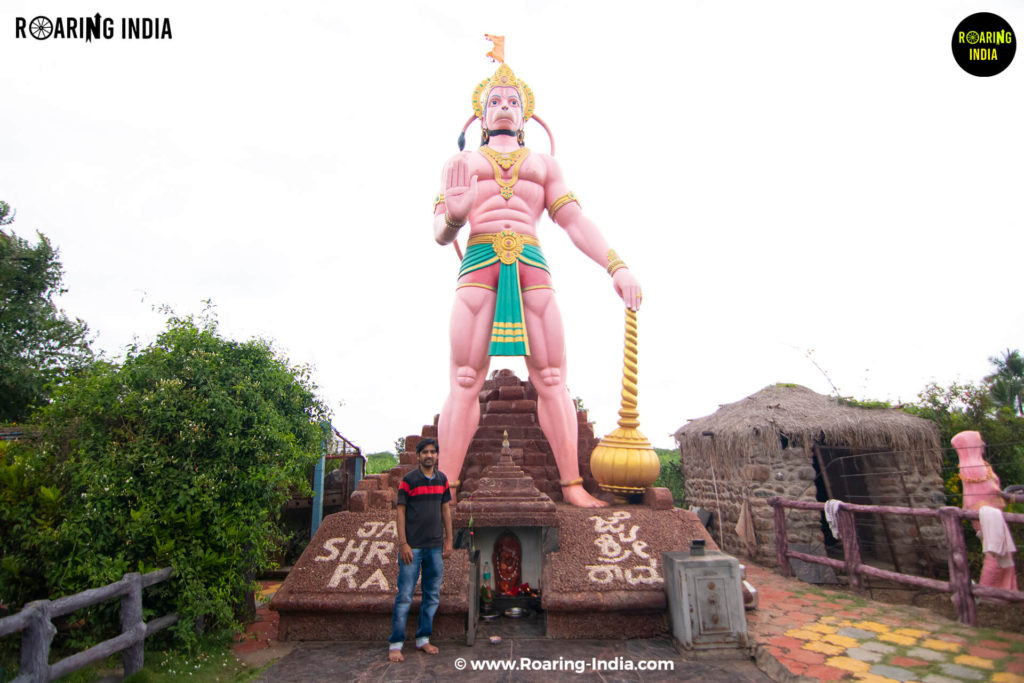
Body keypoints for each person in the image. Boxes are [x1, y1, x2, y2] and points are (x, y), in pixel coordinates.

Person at [433, 61, 642, 508]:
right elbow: (440, 232)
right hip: (478, 261)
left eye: (513, 101)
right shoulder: (463, 163)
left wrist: (616, 265)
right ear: (481, 116)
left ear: (526, 116)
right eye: (495, 101)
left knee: (551, 376)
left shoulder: (545, 166)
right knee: (466, 377)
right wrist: (454, 214)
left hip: (531, 262)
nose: (504, 106)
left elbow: (573, 220)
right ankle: (445, 489)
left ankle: (572, 486)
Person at [388, 438, 454, 662]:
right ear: (417, 456)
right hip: (413, 547)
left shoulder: (442, 480)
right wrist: (403, 543)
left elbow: (445, 510)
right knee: (405, 595)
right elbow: (400, 513)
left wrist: (449, 540)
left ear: (437, 455)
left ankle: (423, 638)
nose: (429, 455)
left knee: (432, 594)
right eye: (425, 452)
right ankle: (396, 643)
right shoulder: (408, 481)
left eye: (432, 452)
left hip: (434, 546)